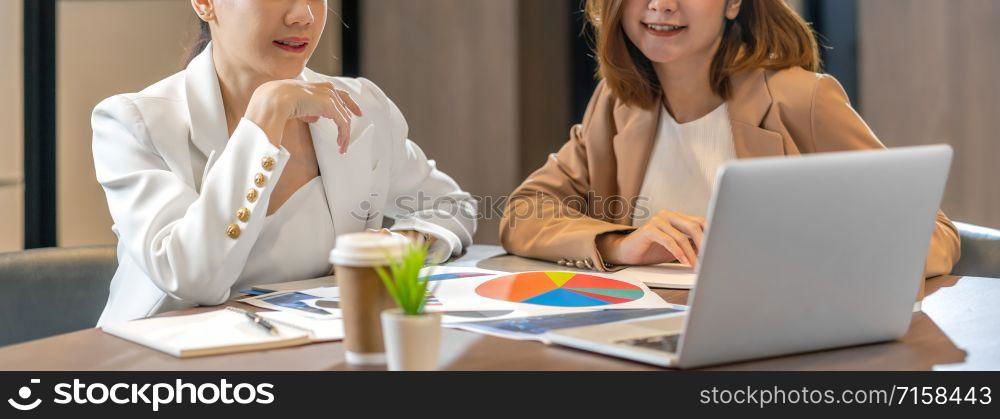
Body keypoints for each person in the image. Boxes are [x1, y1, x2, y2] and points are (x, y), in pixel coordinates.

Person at [500, 0, 959, 276]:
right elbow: (524, 212)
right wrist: (622, 243)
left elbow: (935, 235)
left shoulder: (801, 100)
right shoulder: (617, 103)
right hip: (646, 337)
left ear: (733, 3)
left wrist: (812, 255)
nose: (661, 4)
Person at [93, 0, 475, 325]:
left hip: (317, 351)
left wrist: (402, 243)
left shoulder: (360, 106)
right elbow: (193, 279)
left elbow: (451, 206)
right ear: (205, 2)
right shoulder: (133, 123)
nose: (304, 15)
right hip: (166, 367)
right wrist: (266, 116)